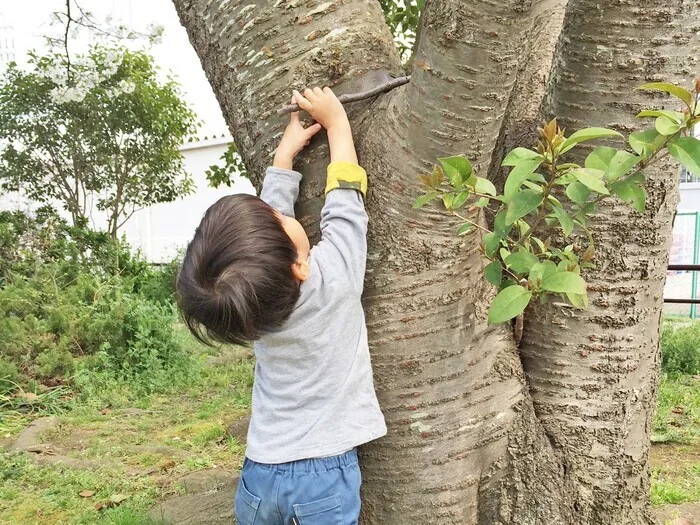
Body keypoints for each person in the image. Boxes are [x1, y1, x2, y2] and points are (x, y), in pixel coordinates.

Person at [177, 86, 386, 525]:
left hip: (259, 473)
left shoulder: (251, 312)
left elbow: (265, 243)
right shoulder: (335, 281)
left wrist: (284, 155)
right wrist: (338, 123)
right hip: (323, 477)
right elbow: (346, 199)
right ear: (299, 267)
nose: (280, 213)